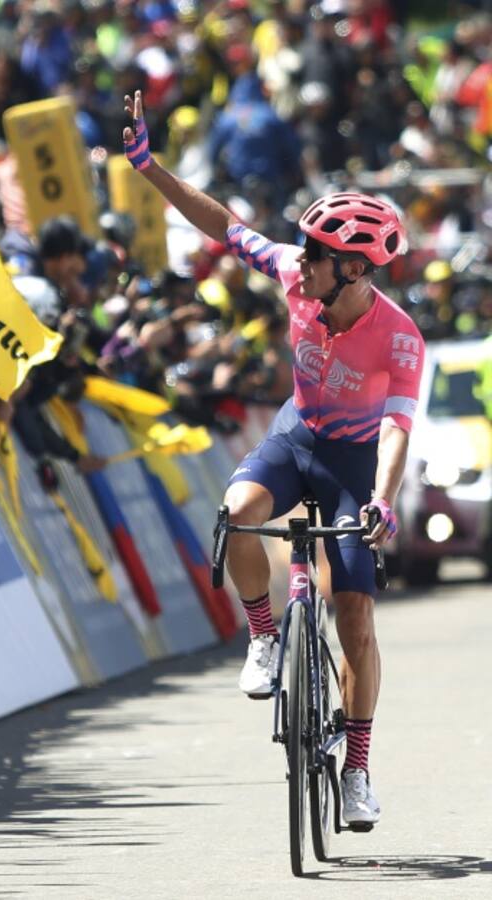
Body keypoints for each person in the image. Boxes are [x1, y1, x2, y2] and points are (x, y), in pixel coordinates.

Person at [123, 90, 422, 829]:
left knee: (354, 621)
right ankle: (262, 634)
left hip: (358, 466)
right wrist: (149, 167)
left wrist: (382, 501)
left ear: (355, 270)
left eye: (321, 255)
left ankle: (356, 770)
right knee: (238, 513)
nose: (304, 261)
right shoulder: (295, 272)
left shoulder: (400, 338)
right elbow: (225, 225)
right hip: (299, 437)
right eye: (308, 251)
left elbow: (395, 431)